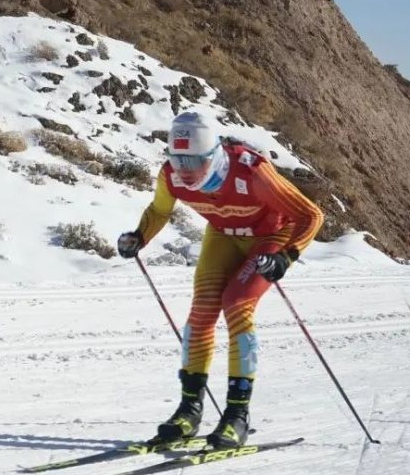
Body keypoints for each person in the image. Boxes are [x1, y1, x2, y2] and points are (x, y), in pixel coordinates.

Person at [117, 112, 324, 448]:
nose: (184, 170)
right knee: (201, 313)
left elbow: (311, 214)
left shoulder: (251, 171)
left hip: (270, 236)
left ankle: (237, 416)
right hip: (224, 234)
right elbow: (159, 210)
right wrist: (139, 237)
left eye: (193, 161)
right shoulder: (171, 175)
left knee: (237, 303)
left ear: (213, 157)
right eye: (177, 159)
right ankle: (189, 411)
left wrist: (286, 256)